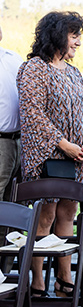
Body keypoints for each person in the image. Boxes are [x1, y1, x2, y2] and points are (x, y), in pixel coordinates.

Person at [16, 11, 83, 298]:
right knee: (44, 216)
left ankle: (64, 278)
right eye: (74, 36)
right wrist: (63, 144)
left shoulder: (74, 72)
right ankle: (37, 282)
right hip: (47, 156)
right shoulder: (34, 68)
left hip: (75, 159)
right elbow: (32, 113)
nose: (78, 42)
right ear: (58, 35)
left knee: (68, 213)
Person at [0, 25, 23, 203]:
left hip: (20, 140)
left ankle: (12, 232)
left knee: (17, 195)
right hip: (1, 142)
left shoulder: (14, 57)